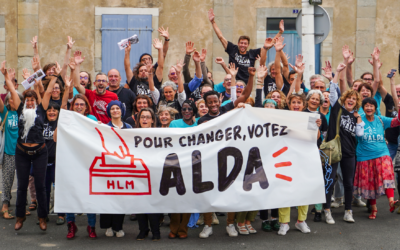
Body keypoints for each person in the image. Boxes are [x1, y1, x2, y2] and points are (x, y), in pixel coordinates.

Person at [198, 65, 253, 239]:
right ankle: (208, 226)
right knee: (208, 195)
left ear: (220, 100)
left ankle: (230, 224)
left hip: (229, 160)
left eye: (215, 101)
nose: (213, 104)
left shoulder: (227, 110)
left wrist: (251, 76)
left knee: (231, 193)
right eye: (210, 102)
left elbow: (245, 95)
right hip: (209, 162)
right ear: (205, 104)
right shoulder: (202, 120)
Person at [1, 61, 49, 231]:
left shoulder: (42, 110)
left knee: (41, 186)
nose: (29, 102)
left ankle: (43, 217)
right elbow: (12, 90)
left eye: (32, 100)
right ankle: (20, 217)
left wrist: (37, 73)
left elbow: (44, 90)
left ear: (36, 101)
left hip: (40, 153)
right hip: (21, 152)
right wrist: (7, 76)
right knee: (21, 186)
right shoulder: (20, 108)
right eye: (27, 100)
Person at [323, 62, 363, 225]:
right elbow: (332, 93)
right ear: (344, 99)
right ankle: (326, 211)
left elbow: (359, 134)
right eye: (349, 98)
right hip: (332, 150)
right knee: (329, 181)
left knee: (348, 183)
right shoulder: (337, 109)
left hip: (349, 152)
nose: (351, 100)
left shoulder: (356, 116)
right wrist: (336, 73)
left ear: (356, 102)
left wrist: (359, 120)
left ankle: (348, 211)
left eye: (354, 99)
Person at [354, 97, 400, 219]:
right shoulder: (359, 119)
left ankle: (391, 202)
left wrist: (399, 108)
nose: (369, 108)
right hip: (364, 156)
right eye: (366, 106)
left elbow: (397, 121)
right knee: (371, 183)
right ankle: (374, 209)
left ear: (375, 108)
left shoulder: (380, 119)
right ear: (363, 108)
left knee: (387, 174)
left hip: (382, 153)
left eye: (371, 106)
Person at [208, 8, 280, 82]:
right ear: (238, 43)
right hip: (233, 82)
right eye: (241, 43)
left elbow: (268, 45)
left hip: (246, 85)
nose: (243, 45)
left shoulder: (252, 53)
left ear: (248, 45)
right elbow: (221, 37)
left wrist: (280, 32)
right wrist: (213, 22)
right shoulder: (233, 49)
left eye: (245, 43)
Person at [99, 100, 131, 238]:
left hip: (124, 169)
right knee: (107, 197)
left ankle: (118, 227)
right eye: (112, 108)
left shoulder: (129, 128)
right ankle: (108, 226)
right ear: (109, 111)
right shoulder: (105, 127)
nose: (115, 110)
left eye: (118, 108)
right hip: (108, 168)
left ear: (122, 111)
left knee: (120, 198)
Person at [135, 107, 162, 241]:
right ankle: (143, 230)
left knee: (153, 204)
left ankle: (156, 232)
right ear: (139, 120)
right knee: (139, 203)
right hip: (138, 173)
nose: (145, 119)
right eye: (142, 117)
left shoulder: (159, 134)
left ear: (152, 120)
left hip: (154, 173)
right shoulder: (131, 134)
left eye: (147, 117)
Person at [42, 78, 66, 225]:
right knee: (44, 189)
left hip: (58, 161)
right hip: (43, 161)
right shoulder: (42, 121)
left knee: (59, 189)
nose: (52, 112)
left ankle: (61, 214)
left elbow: (63, 104)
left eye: (54, 110)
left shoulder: (61, 122)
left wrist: (67, 86)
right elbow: (42, 99)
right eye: (49, 110)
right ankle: (43, 215)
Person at [72, 51, 118, 124]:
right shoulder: (90, 94)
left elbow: (117, 113)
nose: (101, 83)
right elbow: (77, 85)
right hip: (93, 128)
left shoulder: (113, 96)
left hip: (107, 129)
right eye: (99, 80)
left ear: (107, 84)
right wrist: (77, 65)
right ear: (94, 83)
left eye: (103, 81)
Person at [0, 88, 23, 220]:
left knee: (22, 181)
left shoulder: (22, 113)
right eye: (11, 98)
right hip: (9, 152)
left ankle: (21, 206)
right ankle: (5, 206)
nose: (13, 100)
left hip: (22, 153)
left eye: (16, 97)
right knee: (7, 180)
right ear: (8, 100)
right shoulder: (6, 113)